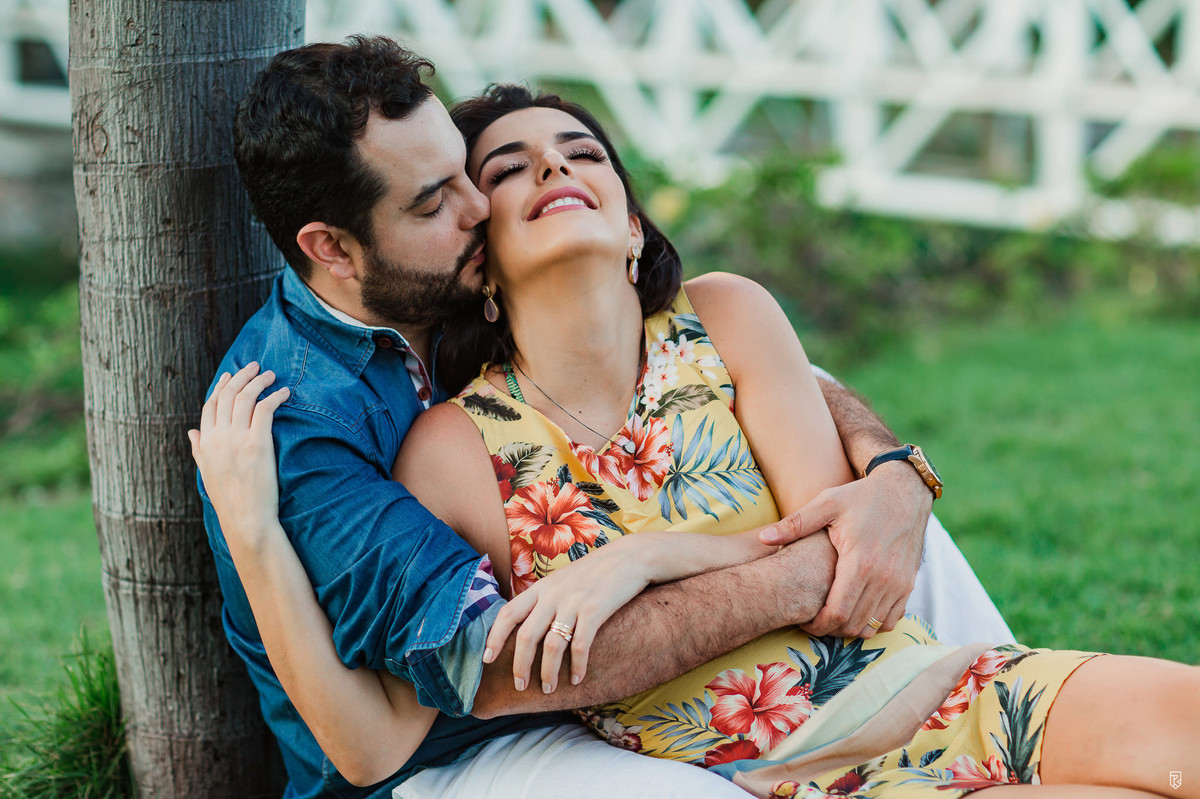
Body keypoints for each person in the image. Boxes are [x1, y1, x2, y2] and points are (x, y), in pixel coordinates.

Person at [194, 81, 1200, 799]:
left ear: (633, 224)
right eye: (499, 173)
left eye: (583, 153)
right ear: (478, 269)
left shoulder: (723, 317)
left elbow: (839, 537)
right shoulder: (384, 437)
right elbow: (424, 714)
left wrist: (879, 478)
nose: (541, 171)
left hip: (926, 684)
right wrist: (252, 532)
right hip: (716, 764)